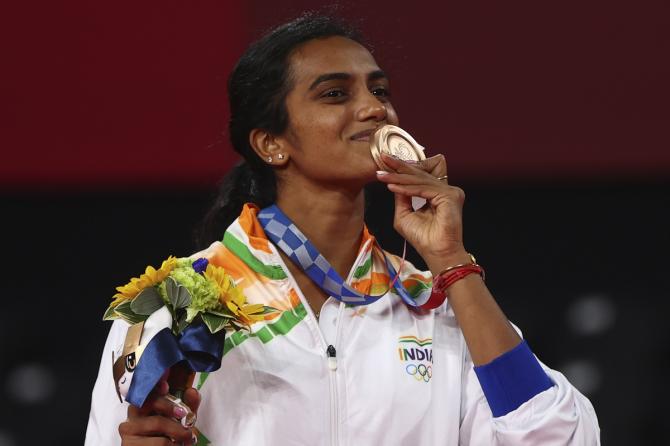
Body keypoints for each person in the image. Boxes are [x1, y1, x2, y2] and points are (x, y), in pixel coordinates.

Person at [86, 13, 600, 445]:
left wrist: (451, 263)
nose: (376, 107)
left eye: (380, 90)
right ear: (270, 144)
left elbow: (558, 436)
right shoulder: (177, 305)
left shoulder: (435, 305)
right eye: (335, 93)